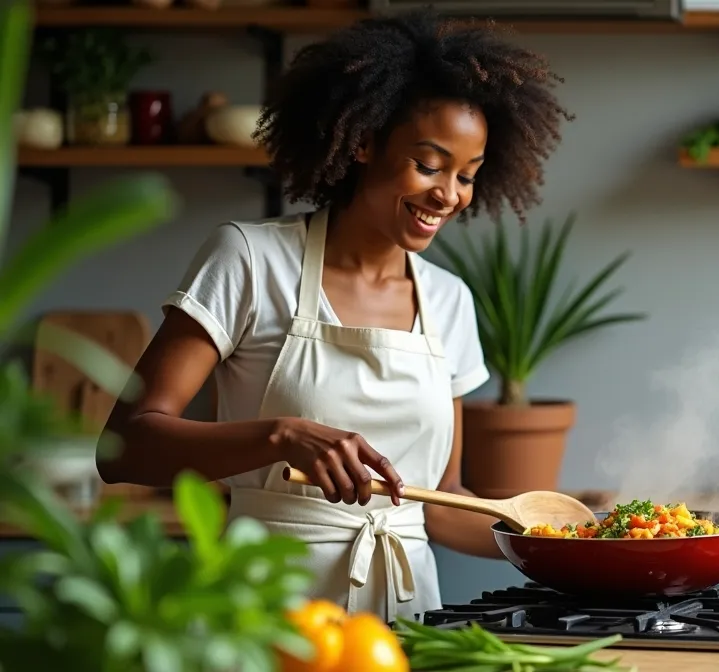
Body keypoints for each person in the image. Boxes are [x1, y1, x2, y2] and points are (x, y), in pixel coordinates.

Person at [97, 9, 572, 621]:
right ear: (365, 141)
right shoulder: (250, 258)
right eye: (429, 165)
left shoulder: (448, 299)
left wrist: (570, 548)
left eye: (467, 176)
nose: (448, 195)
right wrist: (280, 436)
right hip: (264, 614)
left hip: (405, 621)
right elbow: (124, 448)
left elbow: (443, 502)